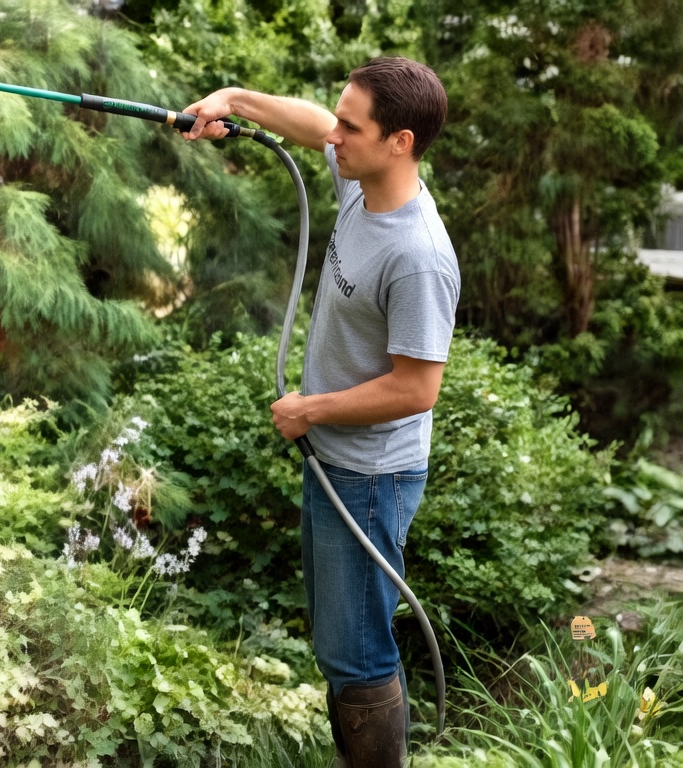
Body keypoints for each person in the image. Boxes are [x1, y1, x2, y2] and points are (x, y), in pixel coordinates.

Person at [180, 56, 458, 767]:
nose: (333, 136)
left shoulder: (418, 255)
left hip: (370, 476)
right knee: (341, 646)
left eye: (351, 127)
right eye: (339, 118)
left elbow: (416, 388)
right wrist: (233, 95)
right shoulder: (364, 185)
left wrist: (314, 409)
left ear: (399, 141)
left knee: (358, 655)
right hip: (335, 459)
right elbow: (308, 124)